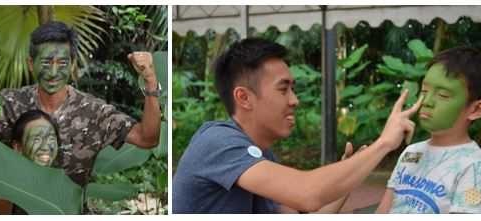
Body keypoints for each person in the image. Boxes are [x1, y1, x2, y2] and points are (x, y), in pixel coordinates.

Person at [172, 38, 421, 213]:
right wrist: (384, 143)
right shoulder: (217, 142)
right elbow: (307, 193)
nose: (295, 100)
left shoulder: (260, 155)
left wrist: (352, 173)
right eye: (283, 89)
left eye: (293, 88)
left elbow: (306, 211)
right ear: (244, 97)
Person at [0, 21, 162, 187]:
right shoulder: (11, 103)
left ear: (73, 65)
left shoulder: (94, 111)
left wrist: (150, 80)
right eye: (47, 62)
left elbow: (147, 138)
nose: (53, 72)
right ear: (31, 64)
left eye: (62, 63)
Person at [373, 47, 481, 214]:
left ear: (476, 109)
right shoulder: (411, 152)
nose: (426, 101)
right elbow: (383, 210)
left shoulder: (476, 167)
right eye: (424, 91)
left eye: (442, 95)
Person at [0, 109, 62, 214]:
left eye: (51, 139)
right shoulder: (4, 185)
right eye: (36, 140)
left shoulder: (61, 184)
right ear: (18, 147)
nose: (45, 147)